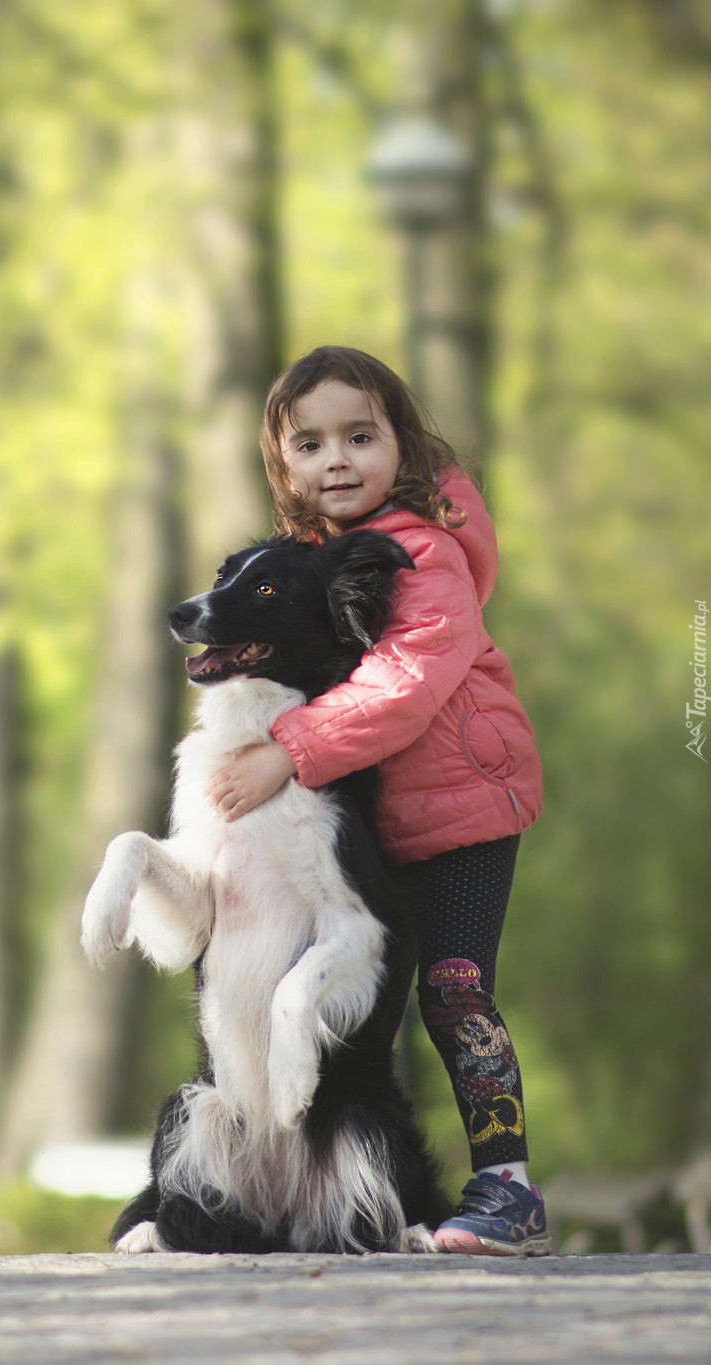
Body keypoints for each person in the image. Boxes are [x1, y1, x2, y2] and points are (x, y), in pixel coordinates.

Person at [207, 345, 550, 1256]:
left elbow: (405, 680)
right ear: (283, 464)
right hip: (375, 819)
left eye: (360, 436)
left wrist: (288, 753)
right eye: (310, 444)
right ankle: (328, 1193)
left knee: (453, 988)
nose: (337, 461)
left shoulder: (424, 552)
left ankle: (508, 1189)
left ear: (401, 441)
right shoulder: (308, 561)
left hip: (464, 805)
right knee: (358, 1010)